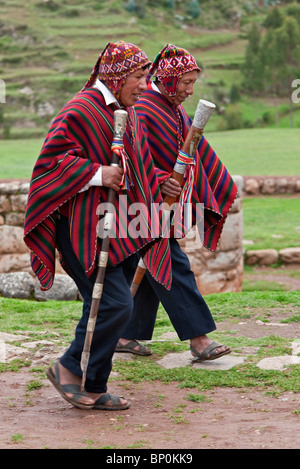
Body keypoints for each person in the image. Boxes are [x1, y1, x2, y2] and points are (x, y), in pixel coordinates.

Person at [23, 41, 172, 410]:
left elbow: (133, 167)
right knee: (115, 304)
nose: (144, 85)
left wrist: (160, 183)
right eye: (139, 76)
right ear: (118, 75)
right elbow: (49, 165)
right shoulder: (81, 109)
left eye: (146, 77)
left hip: (115, 227)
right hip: (80, 230)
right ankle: (68, 368)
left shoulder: (126, 111)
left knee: (106, 304)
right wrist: (95, 173)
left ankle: (91, 383)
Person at [116, 44, 237, 361]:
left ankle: (124, 334)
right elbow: (129, 153)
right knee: (169, 263)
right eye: (184, 82)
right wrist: (157, 179)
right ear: (168, 79)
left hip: (163, 206)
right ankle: (199, 339)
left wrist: (218, 182)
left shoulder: (173, 108)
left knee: (150, 269)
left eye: (193, 83)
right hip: (140, 203)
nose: (189, 90)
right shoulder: (142, 108)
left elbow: (193, 151)